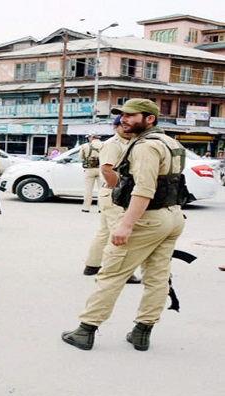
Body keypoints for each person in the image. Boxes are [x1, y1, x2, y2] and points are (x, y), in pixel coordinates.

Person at [62, 99, 186, 352]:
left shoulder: (145, 146)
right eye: (123, 115)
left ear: (149, 119)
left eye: (131, 115)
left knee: (112, 273)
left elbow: (144, 188)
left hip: (148, 218)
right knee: (157, 276)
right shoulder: (171, 142)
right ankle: (142, 332)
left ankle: (86, 331)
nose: (124, 120)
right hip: (172, 215)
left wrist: (126, 225)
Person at [83, 116, 140, 284]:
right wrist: (121, 190)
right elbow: (107, 170)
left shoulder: (130, 143)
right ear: (115, 127)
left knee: (104, 232)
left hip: (112, 193)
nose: (128, 129)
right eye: (124, 126)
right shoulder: (113, 144)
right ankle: (119, 270)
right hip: (115, 194)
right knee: (120, 234)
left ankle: (92, 265)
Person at [79, 133, 103, 213]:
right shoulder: (105, 145)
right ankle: (101, 208)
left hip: (89, 169)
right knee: (101, 189)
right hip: (102, 169)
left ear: (92, 137)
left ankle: (86, 207)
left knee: (88, 189)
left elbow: (81, 157)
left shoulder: (85, 146)